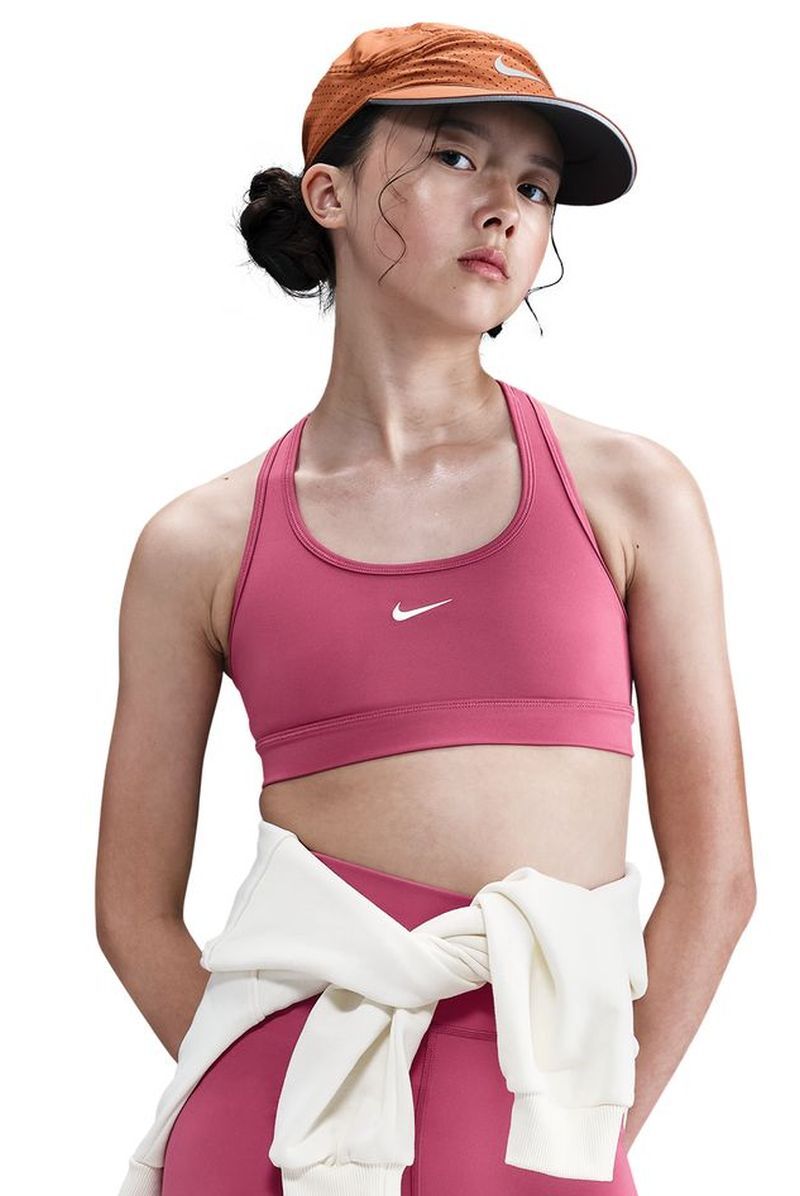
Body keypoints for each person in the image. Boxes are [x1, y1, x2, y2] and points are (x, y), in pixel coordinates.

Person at [97, 21, 757, 1196]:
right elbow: (130, 908)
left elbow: (717, 877)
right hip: (279, 1126)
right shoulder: (199, 541)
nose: (504, 207)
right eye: (455, 157)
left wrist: (590, 1121)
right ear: (329, 194)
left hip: (537, 1129)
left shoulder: (629, 493)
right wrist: (273, 1088)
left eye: (534, 186)